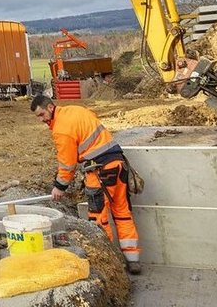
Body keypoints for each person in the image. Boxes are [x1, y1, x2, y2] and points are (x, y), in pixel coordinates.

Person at [30, 94, 142, 274]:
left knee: (98, 218)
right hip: (119, 164)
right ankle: (133, 260)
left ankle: (109, 265)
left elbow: (67, 164)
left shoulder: (61, 129)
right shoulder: (75, 110)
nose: (41, 120)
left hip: (99, 171)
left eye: (41, 115)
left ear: (50, 108)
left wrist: (59, 187)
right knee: (122, 212)